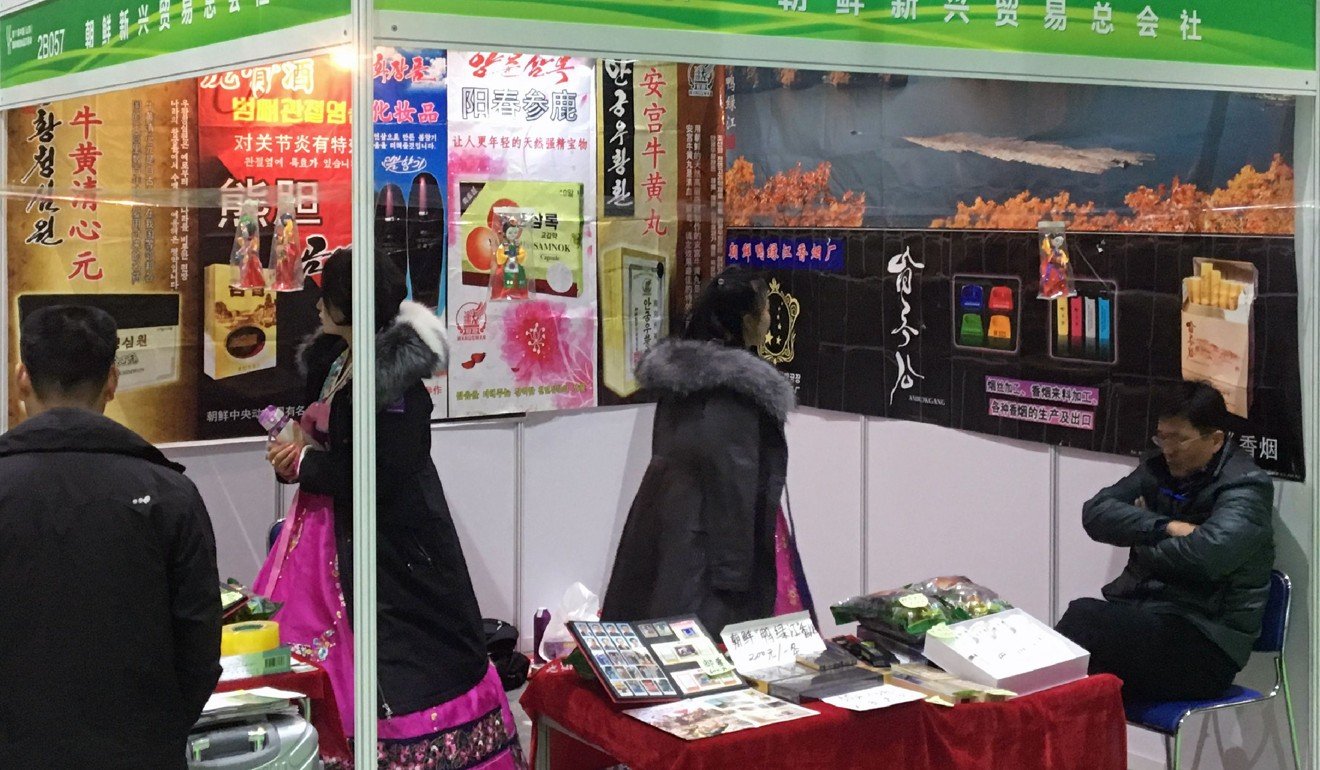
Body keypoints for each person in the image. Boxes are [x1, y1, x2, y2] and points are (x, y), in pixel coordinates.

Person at [256, 248, 524, 769]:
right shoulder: (335, 360)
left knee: (397, 660)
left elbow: (384, 474)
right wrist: (291, 454)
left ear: (345, 304)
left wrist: (307, 465)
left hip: (389, 545)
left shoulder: (397, 385)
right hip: (326, 531)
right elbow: (328, 446)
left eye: (324, 296)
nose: (316, 306)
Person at [0, 305, 221, 769]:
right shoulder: (169, 492)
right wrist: (154, 733)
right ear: (113, 381)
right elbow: (200, 648)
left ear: (22, 378)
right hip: (137, 750)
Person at [601, 267, 813, 636]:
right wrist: (736, 576)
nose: (767, 320)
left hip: (669, 518)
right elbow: (736, 481)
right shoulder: (733, 392)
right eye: (763, 311)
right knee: (704, 637)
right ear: (744, 320)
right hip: (719, 534)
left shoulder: (683, 377)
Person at [1056, 381, 1274, 701]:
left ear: (1215, 440)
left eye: (1179, 440)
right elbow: (1096, 513)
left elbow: (1207, 557)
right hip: (1149, 623)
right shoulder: (1157, 469)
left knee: (1083, 622)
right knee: (1071, 674)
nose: (1168, 449)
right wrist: (1165, 527)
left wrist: (1139, 540)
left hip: (1205, 646)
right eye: (1163, 436)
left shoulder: (1245, 488)